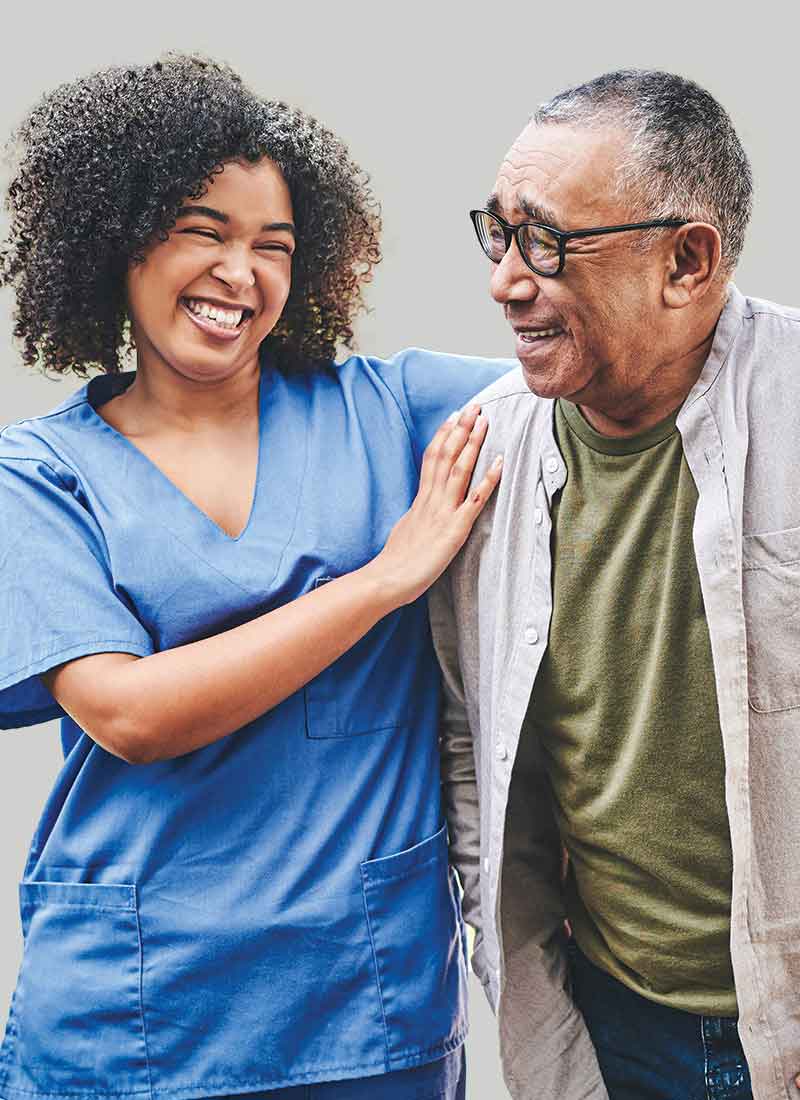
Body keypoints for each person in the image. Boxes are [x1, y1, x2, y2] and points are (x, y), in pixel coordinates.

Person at [0, 55, 510, 1100]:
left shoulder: (392, 407)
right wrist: (380, 581)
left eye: (272, 246)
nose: (242, 272)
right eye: (205, 231)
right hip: (134, 1020)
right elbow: (128, 712)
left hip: (366, 1010)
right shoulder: (40, 477)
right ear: (115, 239)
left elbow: (588, 376)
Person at [430, 69, 800, 1100]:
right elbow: (472, 730)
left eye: (546, 243)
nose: (505, 279)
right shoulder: (484, 452)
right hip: (611, 1019)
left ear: (686, 261)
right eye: (496, 234)